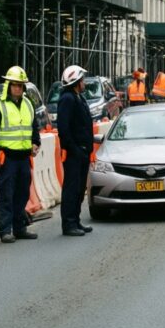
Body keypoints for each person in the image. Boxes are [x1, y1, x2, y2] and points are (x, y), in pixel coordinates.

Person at [0, 66, 41, 243]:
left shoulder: (28, 104)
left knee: (22, 193)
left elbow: (34, 127)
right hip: (7, 158)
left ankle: (19, 227)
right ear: (8, 85)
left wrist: (36, 142)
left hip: (23, 157)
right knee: (6, 194)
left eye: (21, 85)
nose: (18, 88)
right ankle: (5, 230)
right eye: (15, 85)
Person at [57, 65, 95, 237]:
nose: (84, 83)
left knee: (79, 189)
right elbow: (64, 129)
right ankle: (69, 224)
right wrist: (74, 149)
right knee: (72, 189)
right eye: (82, 80)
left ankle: (76, 220)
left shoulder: (78, 97)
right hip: (75, 153)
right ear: (76, 82)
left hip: (83, 151)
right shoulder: (67, 99)